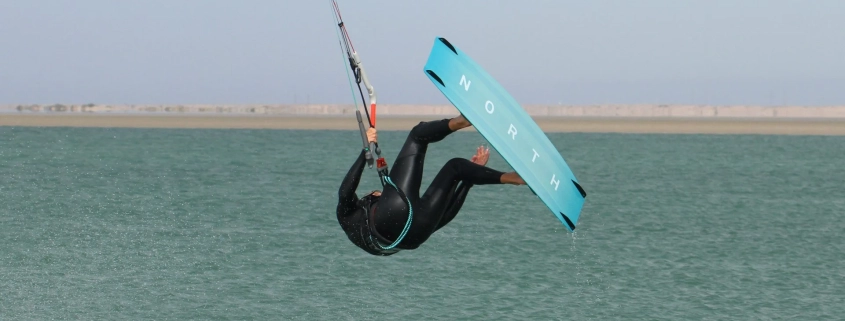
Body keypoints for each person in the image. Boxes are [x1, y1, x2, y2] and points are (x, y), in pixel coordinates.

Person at [336, 115, 525, 256]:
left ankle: (513, 178)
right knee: (417, 136)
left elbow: (443, 217)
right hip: (391, 218)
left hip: (417, 237)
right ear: (369, 197)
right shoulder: (347, 214)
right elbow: (345, 190)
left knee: (456, 168)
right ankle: (461, 121)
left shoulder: (355, 225)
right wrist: (366, 151)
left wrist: (469, 180)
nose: (379, 192)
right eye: (377, 193)